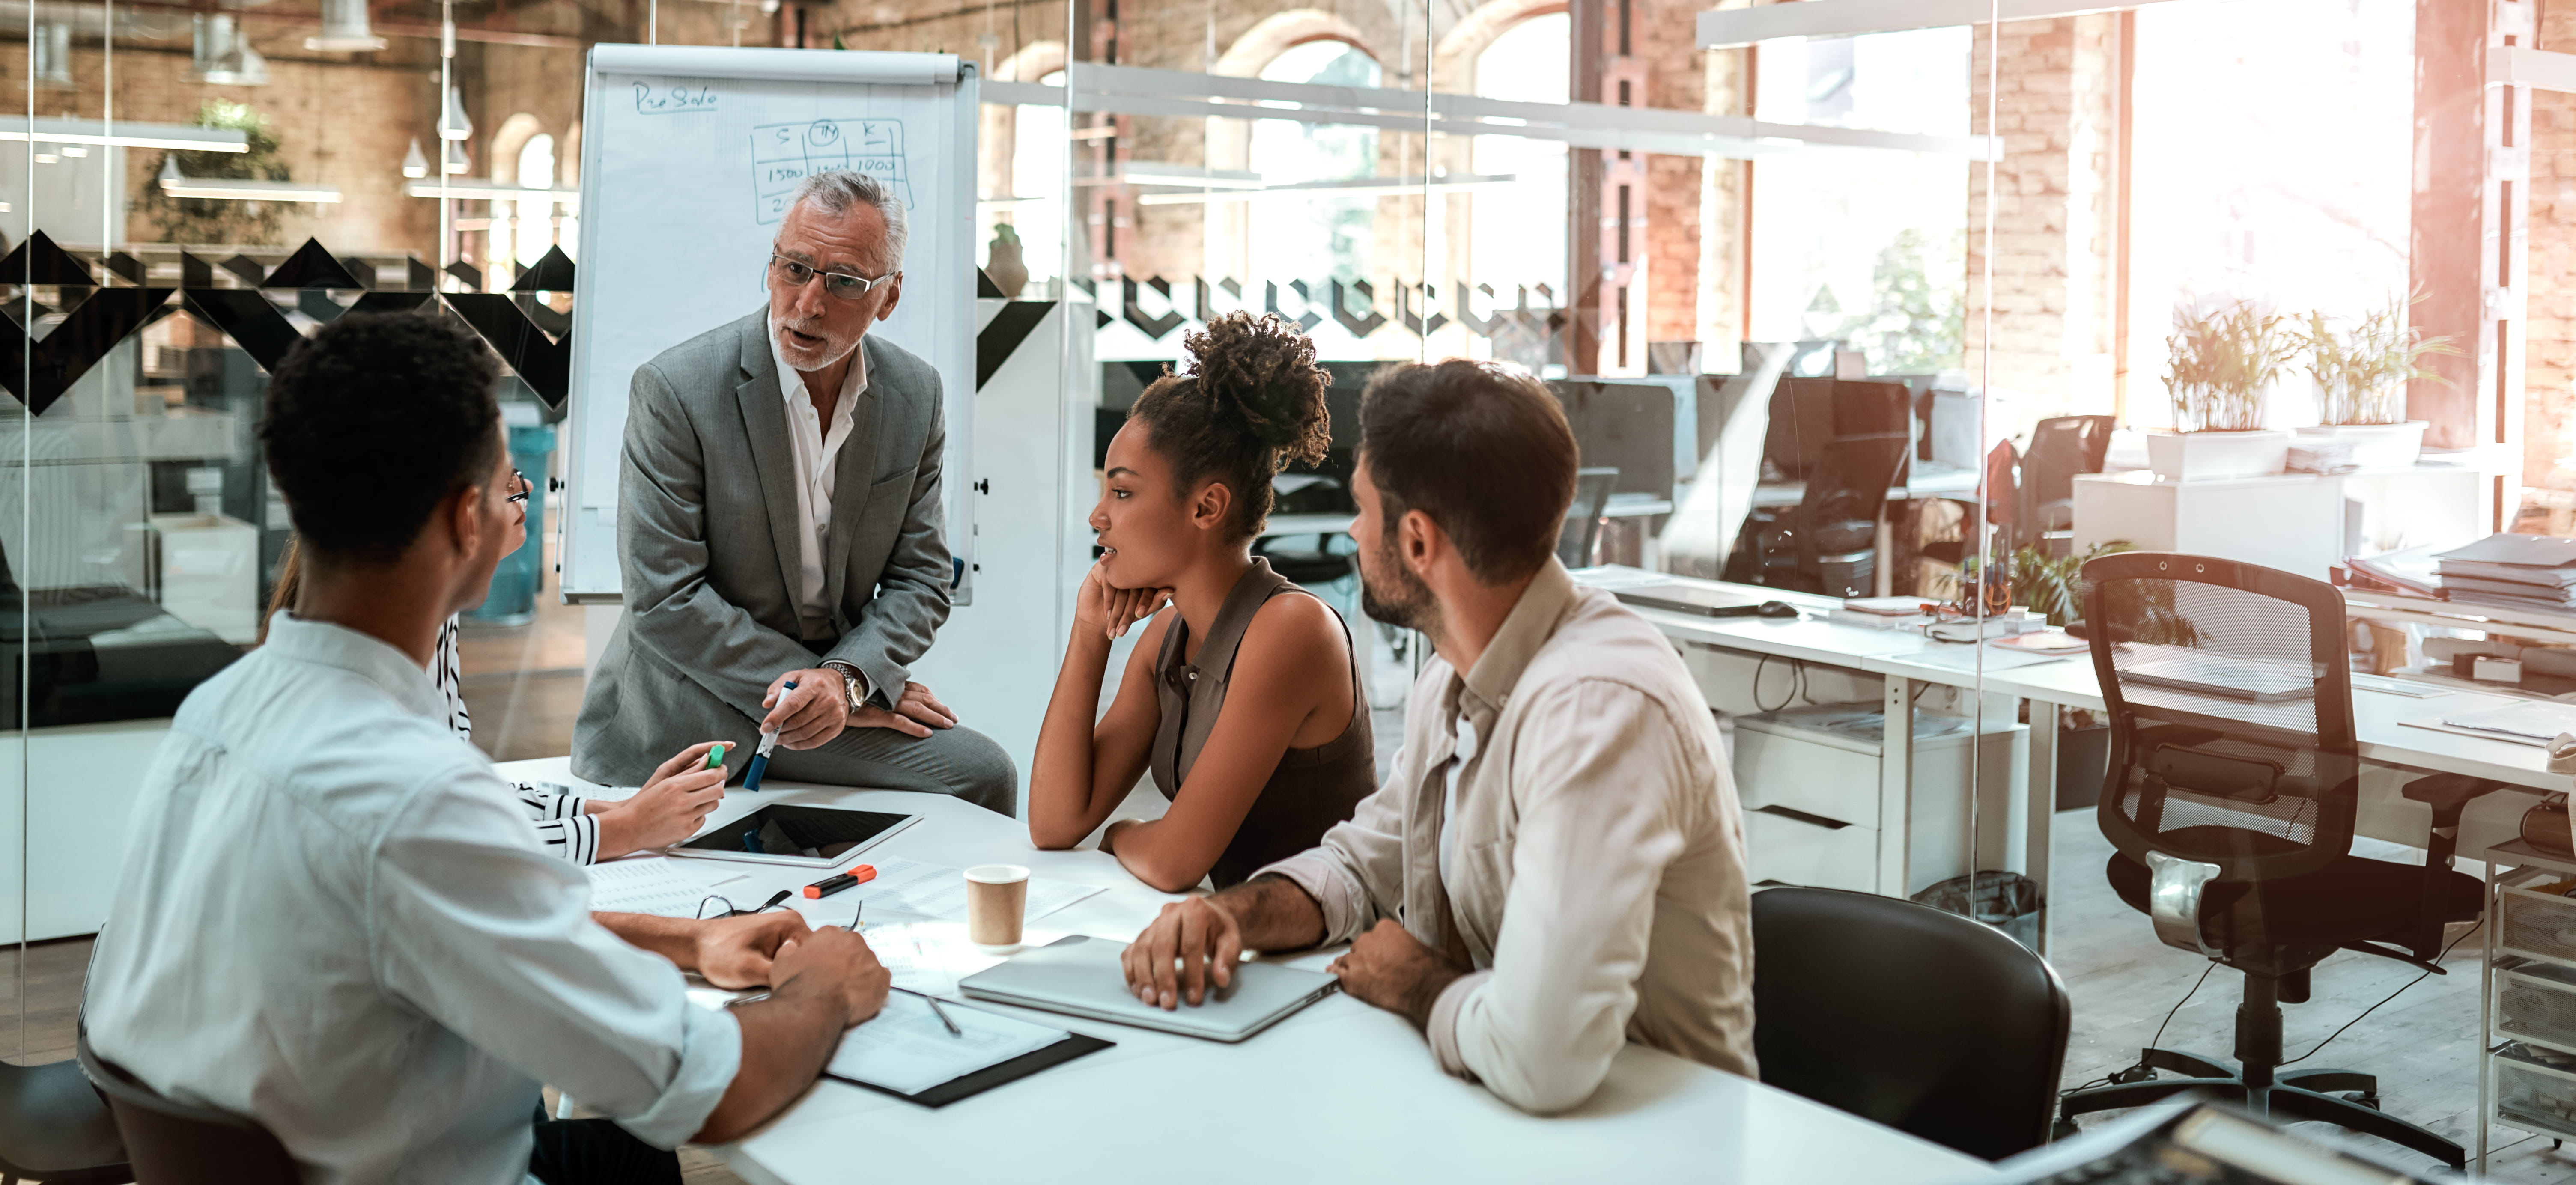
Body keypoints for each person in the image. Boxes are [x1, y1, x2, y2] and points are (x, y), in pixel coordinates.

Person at [84, 313, 891, 1185]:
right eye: (511, 482)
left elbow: (437, 916)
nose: (523, 499)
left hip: (302, 1148)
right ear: (467, 518)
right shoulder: (414, 795)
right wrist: (824, 986)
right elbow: (712, 1090)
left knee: (621, 1147)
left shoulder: (218, 712)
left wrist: (686, 942)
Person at [1115, 359, 1757, 1115]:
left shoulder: (1597, 710)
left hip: (1647, 1129)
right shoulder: (1454, 673)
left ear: (1417, 541)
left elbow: (1542, 1055)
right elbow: (1363, 864)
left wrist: (1414, 982)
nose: (1353, 530)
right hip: (1504, 1104)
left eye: (1363, 509)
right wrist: (1231, 916)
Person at [575, 168, 1015, 815]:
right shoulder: (677, 389)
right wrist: (827, 690)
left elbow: (922, 578)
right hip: (685, 710)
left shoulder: (915, 394)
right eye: (795, 269)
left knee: (984, 776)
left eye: (845, 282)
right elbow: (664, 596)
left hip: (828, 697)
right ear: (772, 265)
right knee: (980, 774)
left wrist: (848, 678)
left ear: (889, 296)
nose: (809, 303)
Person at [1027, 313, 1373, 892]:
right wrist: (1090, 630)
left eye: (1122, 491)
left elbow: (1172, 862)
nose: (1098, 516)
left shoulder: (1291, 629)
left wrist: (1121, 833)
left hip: (1328, 940)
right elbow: (1055, 822)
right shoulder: (1168, 638)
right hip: (1231, 931)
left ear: (1206, 508)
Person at [265, 531, 727, 865]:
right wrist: (625, 829)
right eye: (506, 483)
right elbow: (451, 854)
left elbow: (461, 795)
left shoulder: (427, 618)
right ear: (458, 510)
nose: (527, 491)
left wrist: (626, 811)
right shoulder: (376, 662)